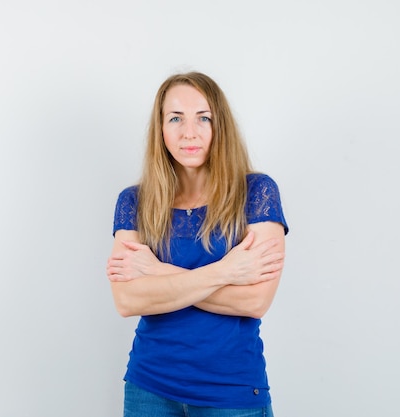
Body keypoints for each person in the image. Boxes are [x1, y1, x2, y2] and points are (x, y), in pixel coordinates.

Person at [107, 72, 289, 417]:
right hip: (150, 387)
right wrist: (225, 271)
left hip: (230, 391)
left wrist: (158, 272)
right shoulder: (134, 201)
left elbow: (253, 301)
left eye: (203, 118)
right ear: (160, 128)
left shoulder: (257, 194)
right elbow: (128, 299)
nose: (189, 132)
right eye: (175, 118)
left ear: (220, 125)